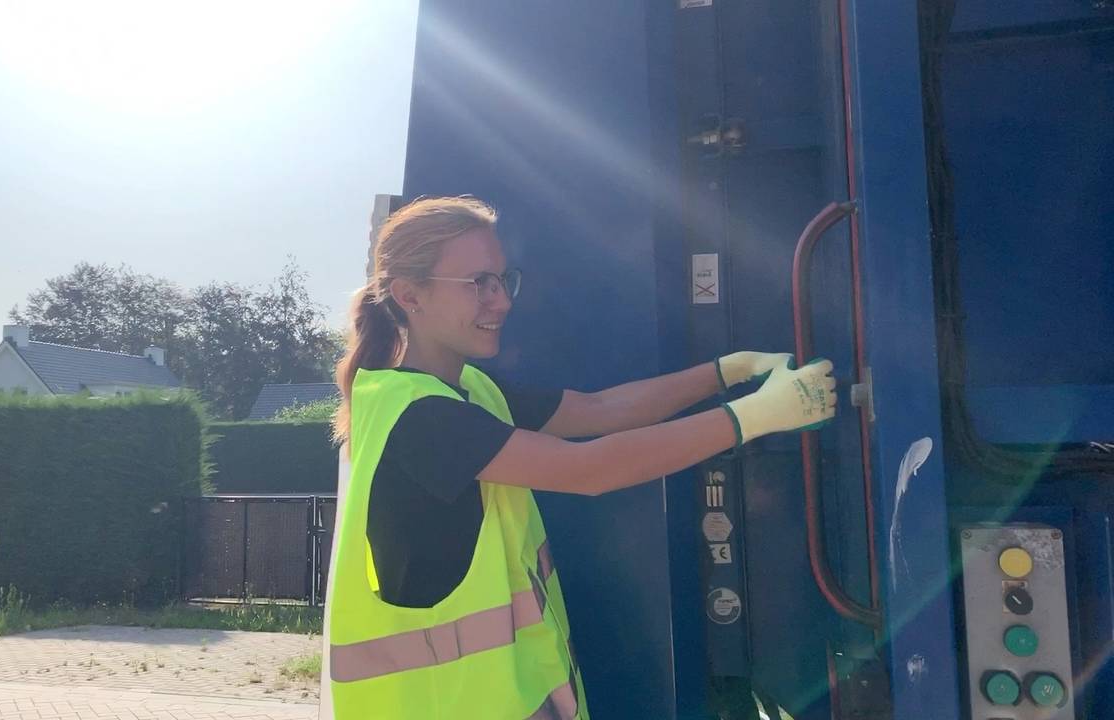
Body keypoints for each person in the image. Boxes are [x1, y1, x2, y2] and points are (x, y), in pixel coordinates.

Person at [321, 196, 836, 719]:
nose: (501, 302)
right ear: (410, 294)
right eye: (478, 283)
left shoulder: (471, 391)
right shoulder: (422, 416)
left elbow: (600, 409)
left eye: (503, 280)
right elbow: (589, 470)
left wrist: (728, 372)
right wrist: (755, 416)